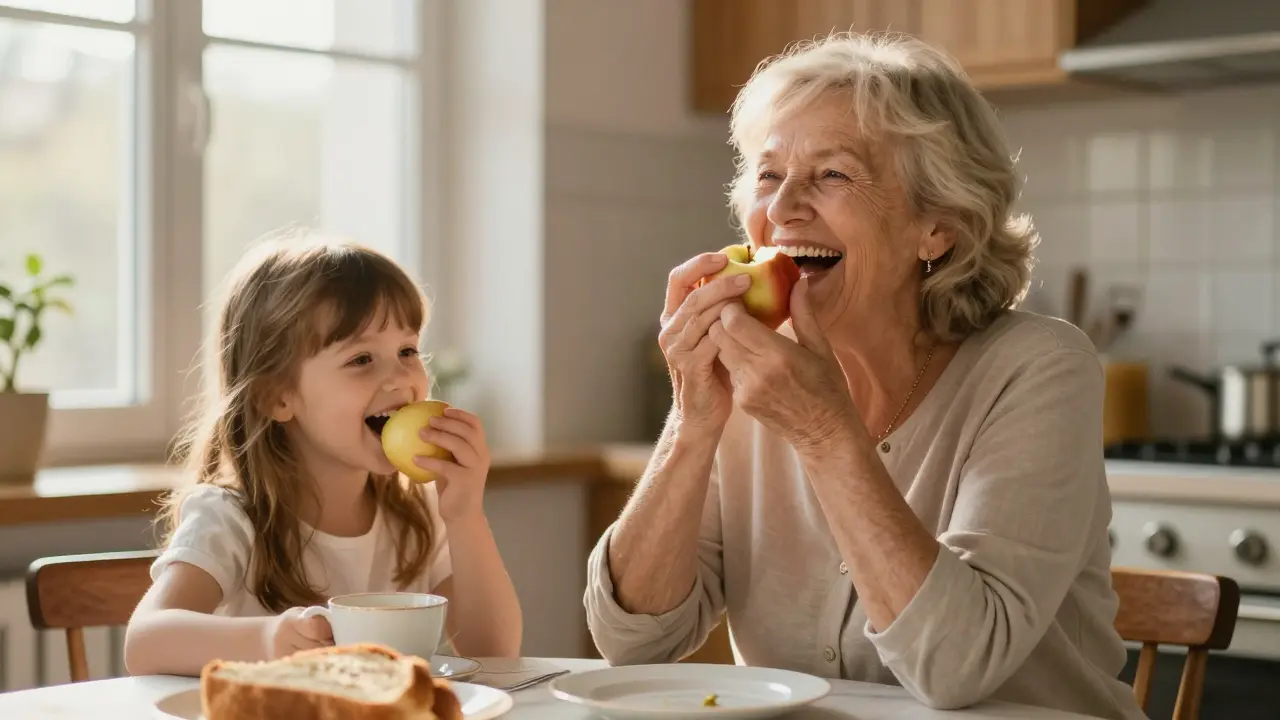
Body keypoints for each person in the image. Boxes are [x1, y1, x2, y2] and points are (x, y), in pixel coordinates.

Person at [584, 32, 1146, 720]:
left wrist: (825, 432)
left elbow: (957, 665)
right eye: (767, 175)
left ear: (937, 227)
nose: (783, 208)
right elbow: (631, 642)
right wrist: (692, 422)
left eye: (832, 175)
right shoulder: (751, 374)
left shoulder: (1038, 368)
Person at [124, 233, 522, 676]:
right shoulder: (231, 517)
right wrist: (268, 639)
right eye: (361, 359)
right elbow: (145, 640)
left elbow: (495, 653)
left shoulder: (417, 513)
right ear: (277, 397)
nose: (400, 377)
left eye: (407, 350)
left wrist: (465, 515)